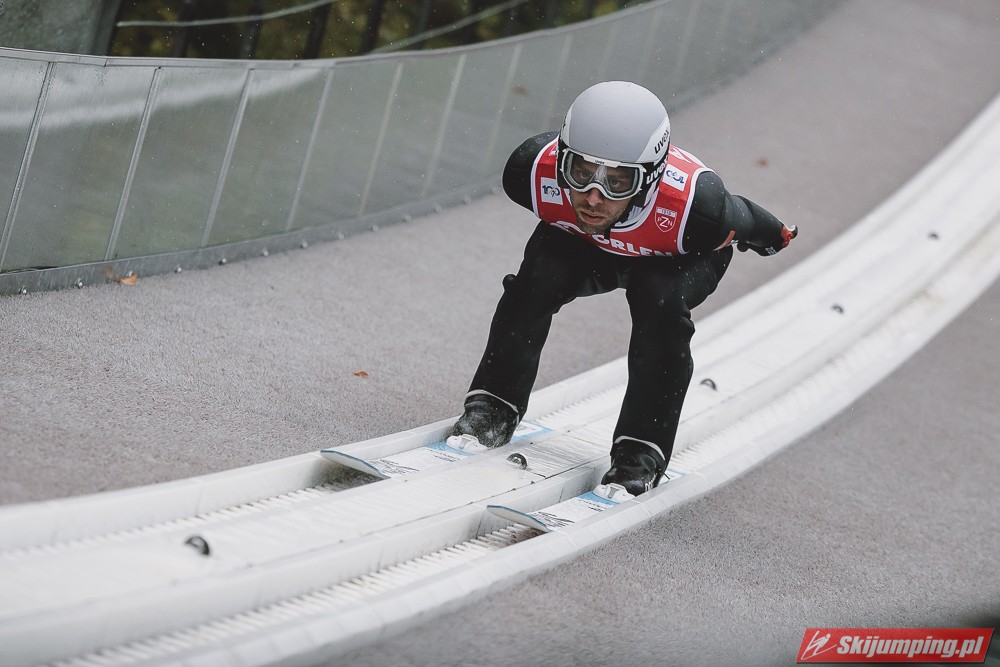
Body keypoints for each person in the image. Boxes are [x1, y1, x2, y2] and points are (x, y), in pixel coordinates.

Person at [449, 81, 796, 496]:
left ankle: (640, 452)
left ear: (650, 177)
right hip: (586, 245)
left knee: (658, 300)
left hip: (672, 259)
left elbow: (750, 218)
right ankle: (494, 406)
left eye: (618, 181)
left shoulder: (698, 209)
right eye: (580, 174)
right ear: (561, 160)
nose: (593, 198)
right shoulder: (530, 171)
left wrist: (775, 235)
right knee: (539, 275)